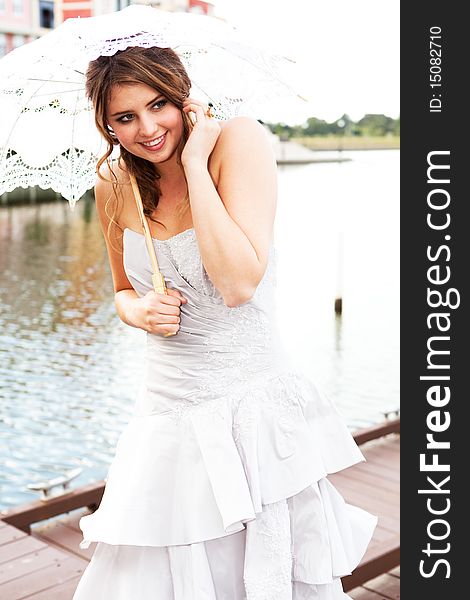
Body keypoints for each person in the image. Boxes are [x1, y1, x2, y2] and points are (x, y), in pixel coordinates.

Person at [73, 45, 377, 600]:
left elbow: (238, 283)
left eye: (159, 104)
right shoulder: (115, 184)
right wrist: (140, 312)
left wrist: (193, 167)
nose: (147, 128)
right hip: (165, 411)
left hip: (251, 412)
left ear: (184, 99)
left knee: (263, 574)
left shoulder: (238, 141)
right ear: (107, 124)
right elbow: (121, 289)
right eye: (125, 117)